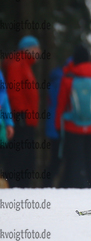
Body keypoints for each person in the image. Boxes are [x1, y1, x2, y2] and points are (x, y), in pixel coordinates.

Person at [55, 45, 91, 188]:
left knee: (74, 161)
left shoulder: (68, 78)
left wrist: (58, 126)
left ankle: (74, 190)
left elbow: (61, 104)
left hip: (72, 127)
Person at [2, 36, 42, 187]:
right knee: (20, 156)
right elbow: (14, 91)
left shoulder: (24, 64)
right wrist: (20, 114)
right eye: (36, 48)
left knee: (27, 158)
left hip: (26, 119)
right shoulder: (18, 63)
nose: (39, 52)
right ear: (28, 49)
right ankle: (14, 187)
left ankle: (20, 187)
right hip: (21, 118)